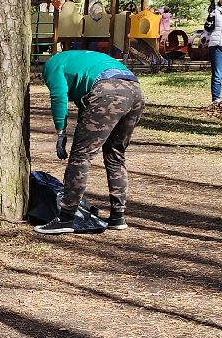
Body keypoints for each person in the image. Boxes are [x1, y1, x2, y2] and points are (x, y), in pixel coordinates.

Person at [35, 48, 144, 236]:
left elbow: (59, 96)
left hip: (107, 91)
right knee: (115, 156)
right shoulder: (84, 62)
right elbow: (86, 113)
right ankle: (118, 216)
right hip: (135, 91)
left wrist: (60, 132)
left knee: (80, 157)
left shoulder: (52, 65)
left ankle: (66, 218)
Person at [127, 0, 163, 69]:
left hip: (144, 34)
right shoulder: (153, 18)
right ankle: (155, 62)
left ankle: (154, 62)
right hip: (146, 34)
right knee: (149, 48)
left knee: (148, 48)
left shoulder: (134, 18)